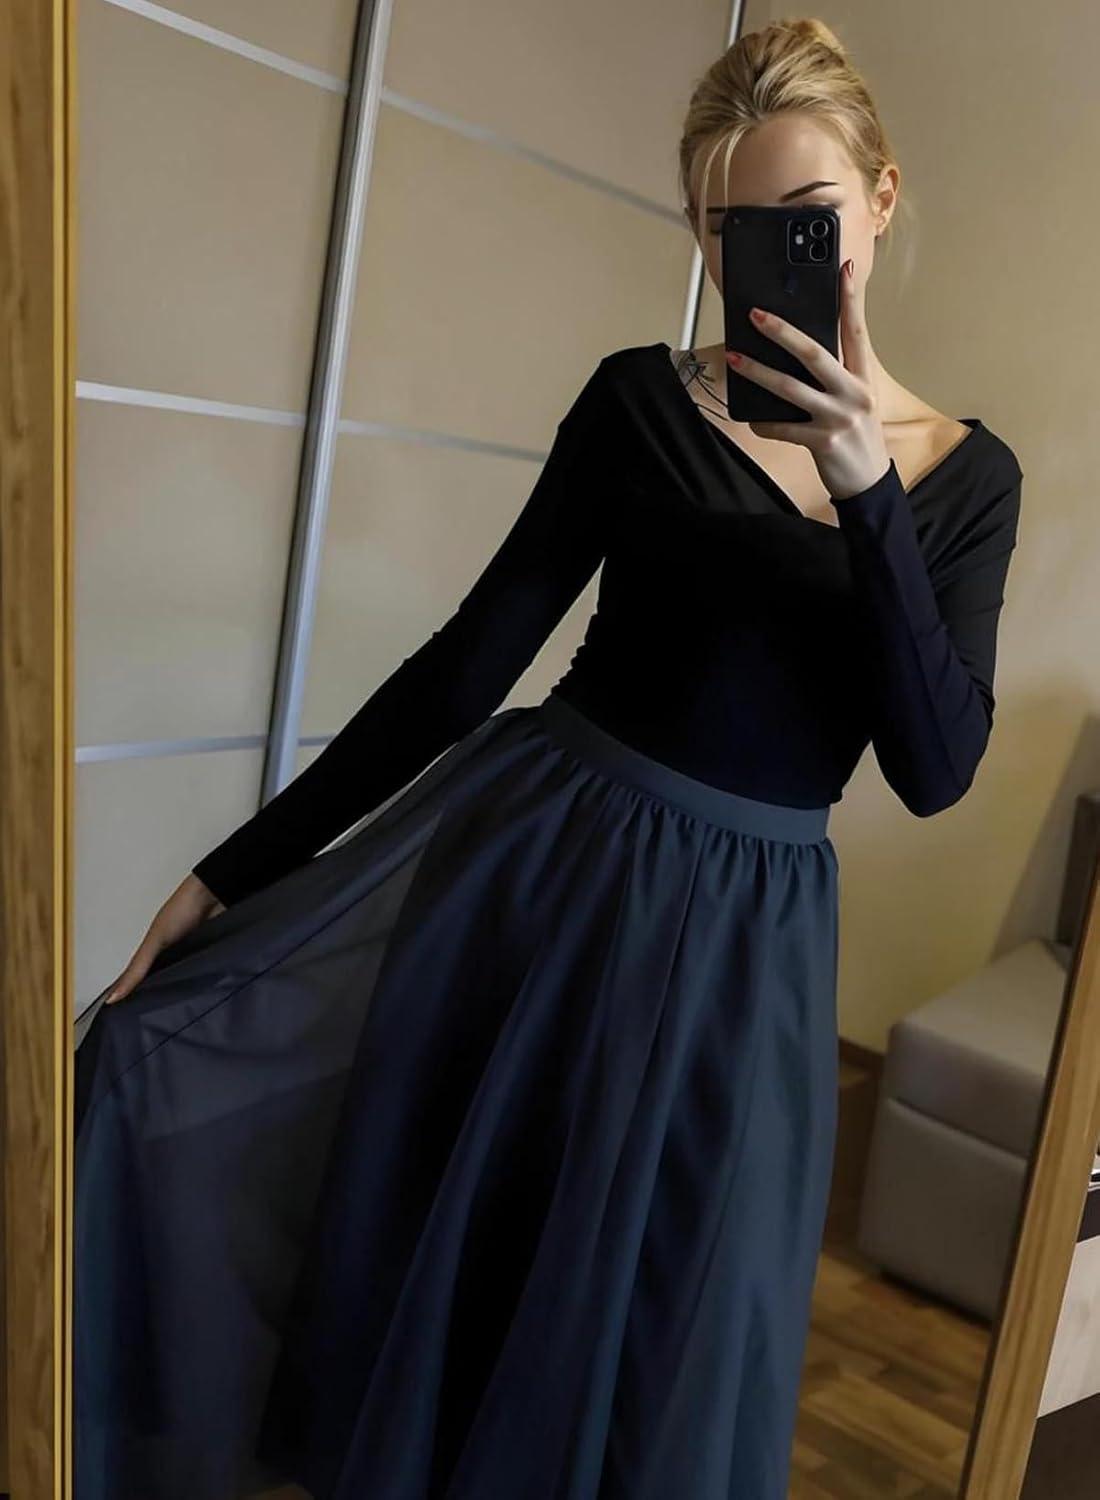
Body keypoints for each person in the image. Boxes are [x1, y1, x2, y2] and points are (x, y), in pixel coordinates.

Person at [73, 15, 1023, 1500]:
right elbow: (464, 668)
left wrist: (868, 496)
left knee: (664, 1335)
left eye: (805, 220)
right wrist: (231, 873)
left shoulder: (970, 479)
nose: (765, 259)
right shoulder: (640, 402)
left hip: (748, 953)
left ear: (880, 201)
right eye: (729, 228)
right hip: (539, 885)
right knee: (462, 1287)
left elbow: (935, 764)